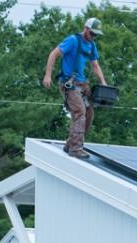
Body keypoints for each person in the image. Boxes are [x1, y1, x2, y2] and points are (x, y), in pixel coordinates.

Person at [42, 17, 108, 159]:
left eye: (96, 35)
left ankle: (70, 144)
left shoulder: (92, 45)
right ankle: (76, 149)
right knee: (79, 111)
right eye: (92, 33)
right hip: (69, 83)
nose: (93, 37)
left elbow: (95, 65)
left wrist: (103, 82)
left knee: (89, 114)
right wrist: (48, 75)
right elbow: (54, 54)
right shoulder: (73, 40)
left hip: (83, 84)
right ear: (85, 29)